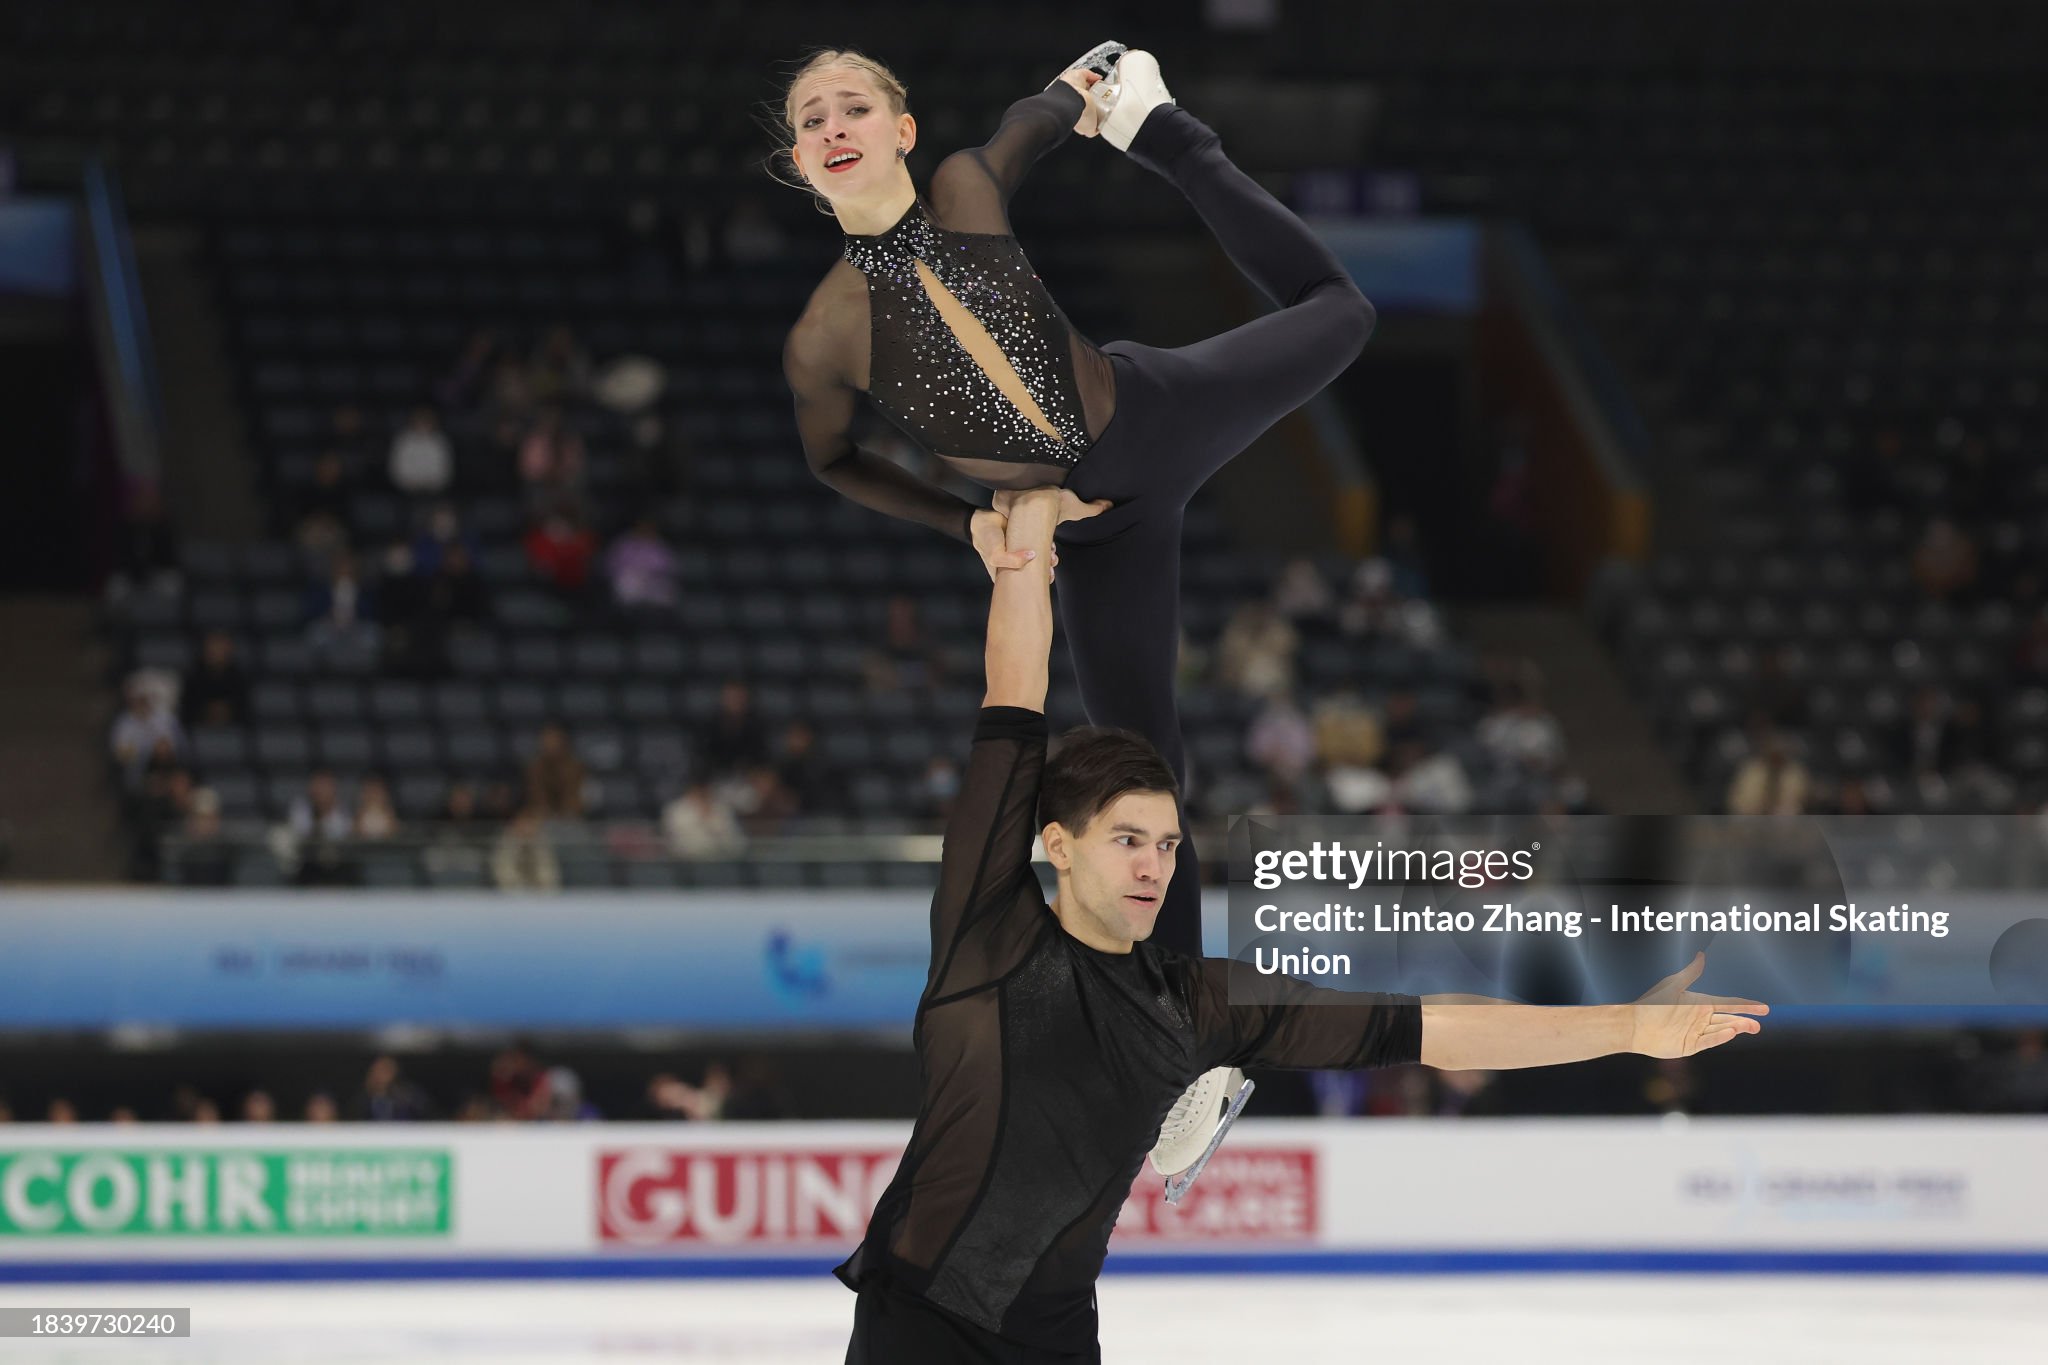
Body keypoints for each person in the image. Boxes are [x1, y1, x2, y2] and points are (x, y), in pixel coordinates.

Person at [836, 488, 1769, 1362]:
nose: (1154, 866)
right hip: (916, 1330)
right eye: (1127, 840)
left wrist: (1627, 1026)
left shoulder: (1199, 1003)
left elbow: (1432, 1027)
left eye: (1166, 843)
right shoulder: (987, 929)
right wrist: (1029, 540)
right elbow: (1013, 694)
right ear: (1059, 845)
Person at [777, 39, 1375, 1163]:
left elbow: (1036, 118)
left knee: (1341, 312)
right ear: (800, 161)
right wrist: (964, 520)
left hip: (1153, 415)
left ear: (900, 132)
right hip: (1097, 530)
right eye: (812, 120)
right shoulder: (823, 336)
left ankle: (1171, 135)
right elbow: (832, 462)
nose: (833, 126)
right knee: (1145, 766)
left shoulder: (963, 184)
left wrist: (1099, 87)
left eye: (853, 107)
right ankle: (1194, 1045)